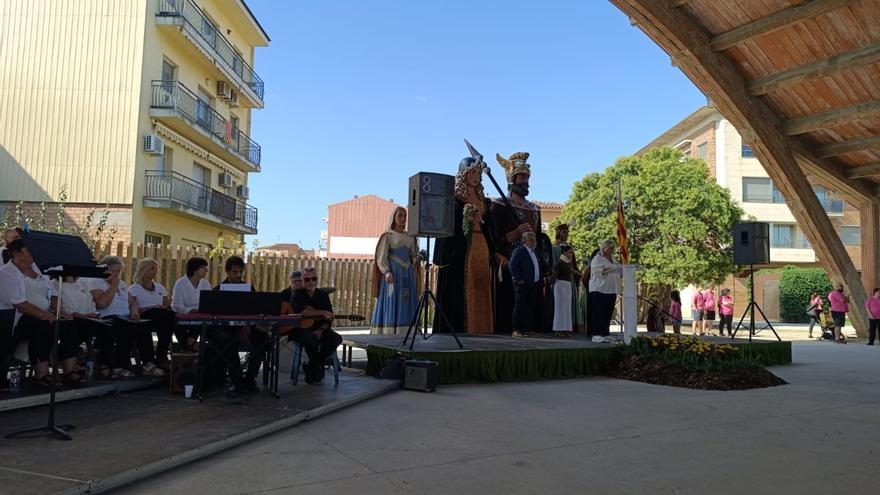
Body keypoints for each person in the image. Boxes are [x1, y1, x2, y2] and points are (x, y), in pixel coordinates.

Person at [0, 239, 81, 387]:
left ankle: (69, 372)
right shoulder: (6, 272)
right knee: (41, 326)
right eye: (29, 249)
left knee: (68, 324)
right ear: (17, 253)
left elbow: (54, 294)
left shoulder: (38, 270)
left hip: (44, 315)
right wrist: (44, 315)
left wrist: (58, 312)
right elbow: (18, 303)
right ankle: (42, 373)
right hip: (15, 320)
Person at [433, 156, 499, 334]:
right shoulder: (454, 199)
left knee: (481, 287)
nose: (476, 176)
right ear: (463, 174)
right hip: (461, 250)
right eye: (472, 172)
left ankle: (481, 326)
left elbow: (489, 229)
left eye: (478, 173)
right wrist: (467, 220)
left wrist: (493, 250)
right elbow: (448, 228)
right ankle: (460, 327)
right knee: (461, 290)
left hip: (481, 248)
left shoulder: (484, 201)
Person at [490, 151, 546, 334]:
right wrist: (513, 234)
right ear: (512, 178)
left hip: (532, 263)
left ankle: (530, 327)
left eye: (527, 176)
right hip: (510, 262)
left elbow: (539, 240)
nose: (525, 180)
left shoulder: (535, 209)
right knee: (512, 301)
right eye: (521, 176)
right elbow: (494, 236)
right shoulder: (499, 205)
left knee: (531, 301)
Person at [90, 255, 165, 378]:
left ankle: (148, 363)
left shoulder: (122, 284)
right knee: (125, 328)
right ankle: (120, 366)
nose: (116, 275)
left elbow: (131, 301)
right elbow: (102, 303)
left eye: (118, 272)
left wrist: (134, 310)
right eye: (113, 271)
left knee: (143, 326)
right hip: (107, 317)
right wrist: (113, 286)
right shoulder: (95, 282)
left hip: (124, 317)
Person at [212, 255, 266, 392]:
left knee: (263, 339)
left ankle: (250, 378)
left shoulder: (249, 288)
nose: (238, 275)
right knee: (226, 341)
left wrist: (247, 327)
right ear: (227, 272)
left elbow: (254, 311)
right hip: (226, 328)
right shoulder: (217, 290)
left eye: (240, 272)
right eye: (235, 272)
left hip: (246, 327)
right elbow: (214, 316)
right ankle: (237, 381)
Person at [371, 207, 420, 335]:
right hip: (393, 275)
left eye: (405, 216)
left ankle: (407, 334)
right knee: (392, 301)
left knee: (406, 302)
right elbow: (381, 256)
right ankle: (389, 333)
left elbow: (413, 256)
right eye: (400, 216)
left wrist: (417, 258)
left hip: (407, 275)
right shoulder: (388, 236)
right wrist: (386, 271)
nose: (403, 219)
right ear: (394, 217)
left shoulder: (411, 237)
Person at [290, 267, 343, 384]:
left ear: (316, 280)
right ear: (303, 281)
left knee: (336, 338)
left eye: (313, 279)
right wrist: (321, 312)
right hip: (302, 329)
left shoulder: (322, 295)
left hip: (320, 329)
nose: (310, 282)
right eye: (307, 279)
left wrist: (321, 330)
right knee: (311, 340)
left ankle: (311, 367)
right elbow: (302, 312)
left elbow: (329, 316)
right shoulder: (297, 294)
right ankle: (316, 367)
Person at [128, 257, 177, 369]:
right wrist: (151, 308)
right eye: (152, 268)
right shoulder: (134, 288)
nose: (155, 271)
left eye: (155, 269)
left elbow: (166, 305)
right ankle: (154, 360)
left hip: (160, 316)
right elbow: (133, 306)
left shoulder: (160, 288)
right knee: (162, 315)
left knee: (169, 317)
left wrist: (161, 306)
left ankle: (161, 356)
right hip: (144, 315)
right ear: (143, 270)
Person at [509, 231, 546, 337]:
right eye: (531, 240)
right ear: (524, 240)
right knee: (520, 307)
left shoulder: (534, 252)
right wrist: (519, 279)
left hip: (533, 284)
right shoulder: (519, 251)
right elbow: (512, 265)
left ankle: (526, 329)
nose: (533, 242)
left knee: (529, 307)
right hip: (522, 284)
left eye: (534, 240)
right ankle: (516, 330)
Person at [171, 257, 211, 352]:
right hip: (183, 317)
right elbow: (177, 306)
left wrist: (199, 311)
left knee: (203, 322)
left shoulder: (206, 284)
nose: (207, 270)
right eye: (204, 267)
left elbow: (209, 303)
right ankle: (190, 346)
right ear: (195, 269)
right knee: (175, 324)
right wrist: (191, 310)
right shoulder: (180, 283)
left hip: (200, 317)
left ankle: (189, 345)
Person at [589, 240, 621, 343]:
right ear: (604, 248)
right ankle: (596, 334)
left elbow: (618, 269)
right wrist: (611, 269)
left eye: (612, 248)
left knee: (608, 312)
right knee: (599, 311)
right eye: (609, 248)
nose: (611, 250)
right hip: (599, 289)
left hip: (611, 289)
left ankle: (605, 333)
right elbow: (597, 272)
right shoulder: (598, 258)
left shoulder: (613, 259)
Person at [552, 244, 575, 337]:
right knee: (560, 308)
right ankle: (558, 329)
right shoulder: (560, 262)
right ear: (564, 252)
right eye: (569, 252)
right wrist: (551, 283)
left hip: (567, 285)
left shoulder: (569, 263)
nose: (571, 254)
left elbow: (572, 271)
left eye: (572, 253)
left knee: (566, 308)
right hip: (560, 285)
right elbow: (554, 274)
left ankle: (565, 328)